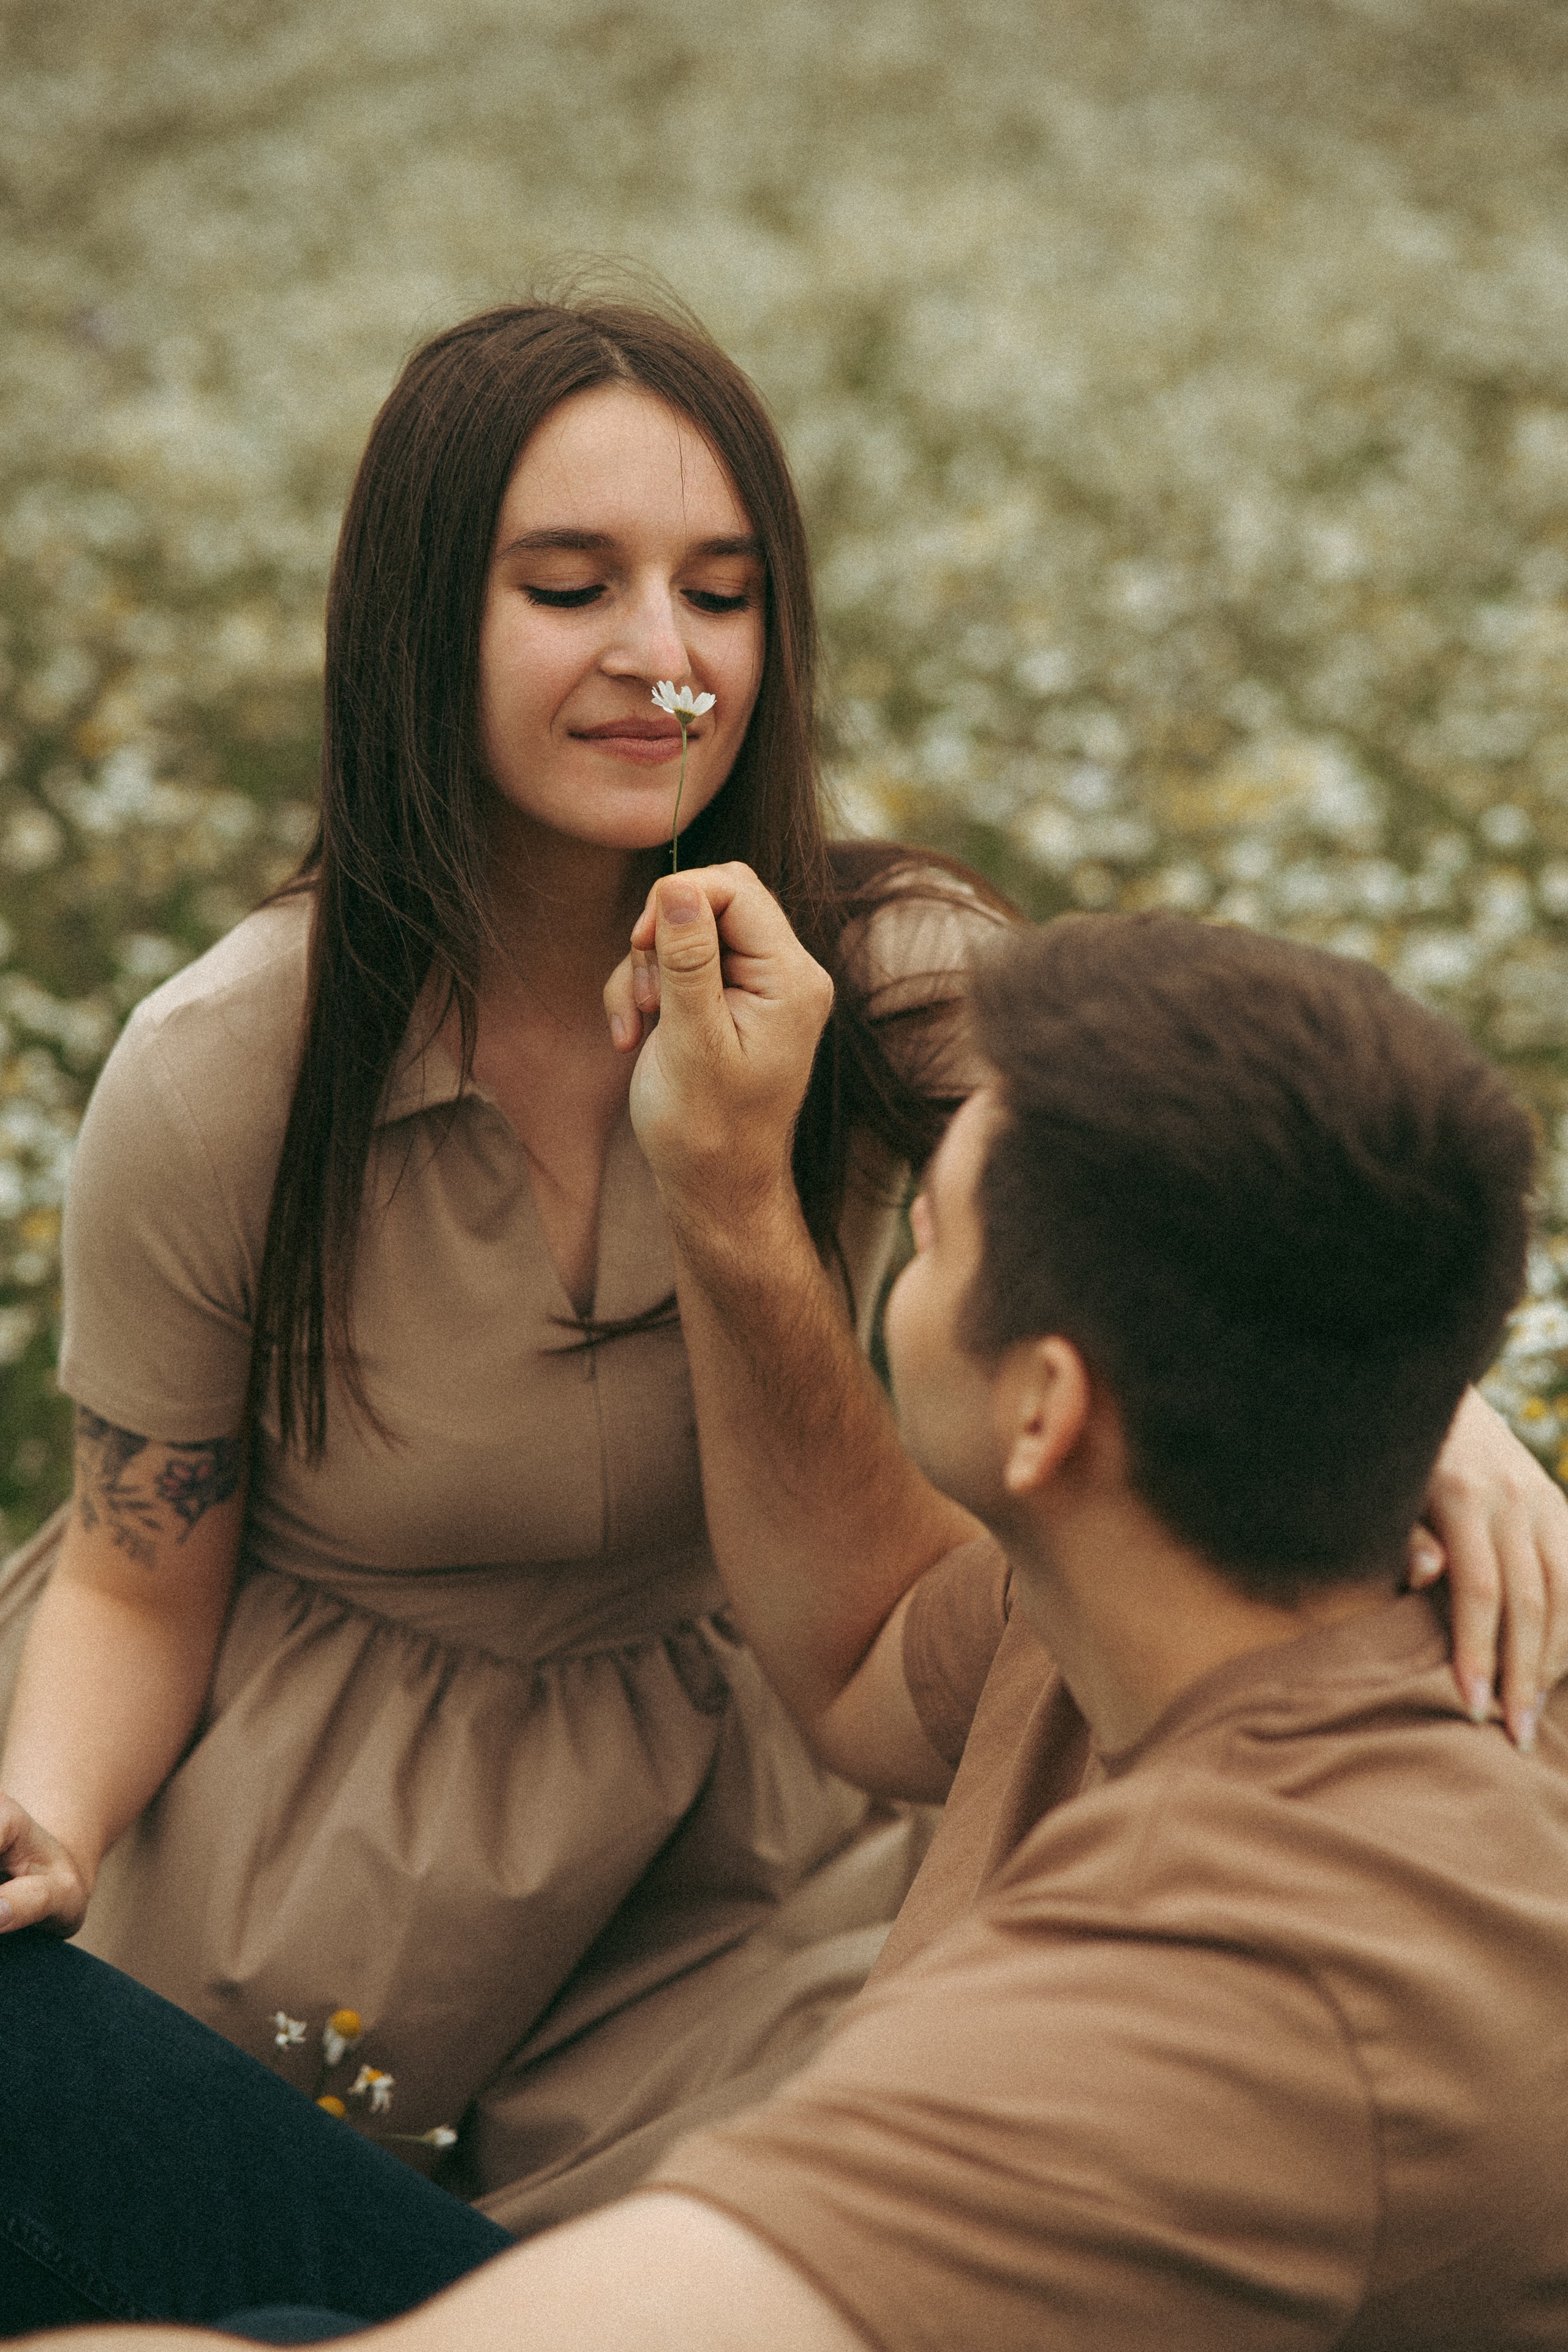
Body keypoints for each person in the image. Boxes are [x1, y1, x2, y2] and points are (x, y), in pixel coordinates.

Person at [5, 884, 1567, 2350]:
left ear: (1045, 1411)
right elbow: (859, 1651)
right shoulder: (1161, 1594)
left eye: (927, 1234)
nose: (894, 1263)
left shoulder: (1232, 1993)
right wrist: (727, 1181)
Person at [0, 295, 1019, 2228]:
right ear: (419, 627)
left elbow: (1188, 1230)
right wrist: (48, 1822)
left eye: (722, 594)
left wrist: (1419, 1433)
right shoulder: (227, 1070)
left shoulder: (883, 980)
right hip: (312, 1834)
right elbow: (136, 1577)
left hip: (749, 1835)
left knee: (820, 2243)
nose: (666, 660)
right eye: (569, 588)